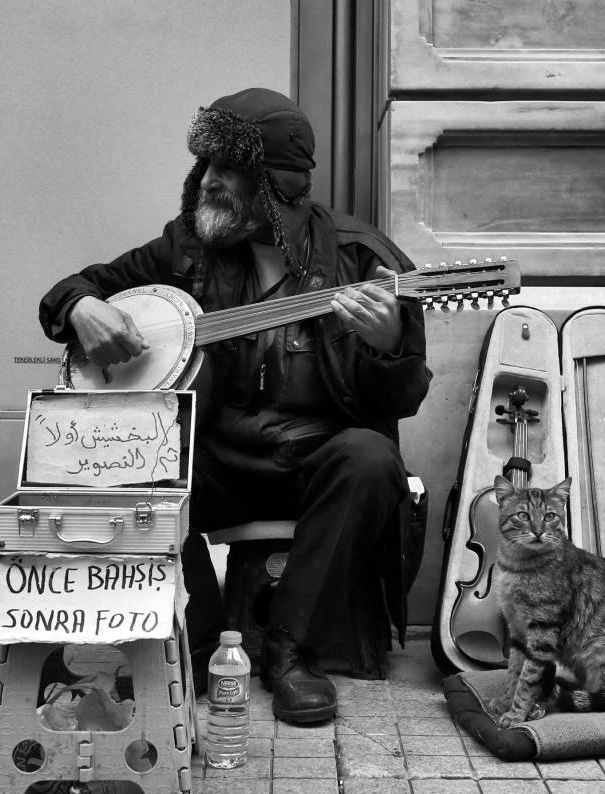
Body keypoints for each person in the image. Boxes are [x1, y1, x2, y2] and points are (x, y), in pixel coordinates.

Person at [38, 87, 430, 724]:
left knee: (370, 456)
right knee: (136, 459)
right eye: (207, 167)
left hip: (315, 468)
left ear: (274, 187)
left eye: (229, 171)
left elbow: (403, 398)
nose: (208, 183)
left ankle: (290, 650)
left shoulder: (362, 260)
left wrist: (388, 347)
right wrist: (82, 308)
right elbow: (77, 289)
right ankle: (193, 635)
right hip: (218, 463)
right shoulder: (186, 251)